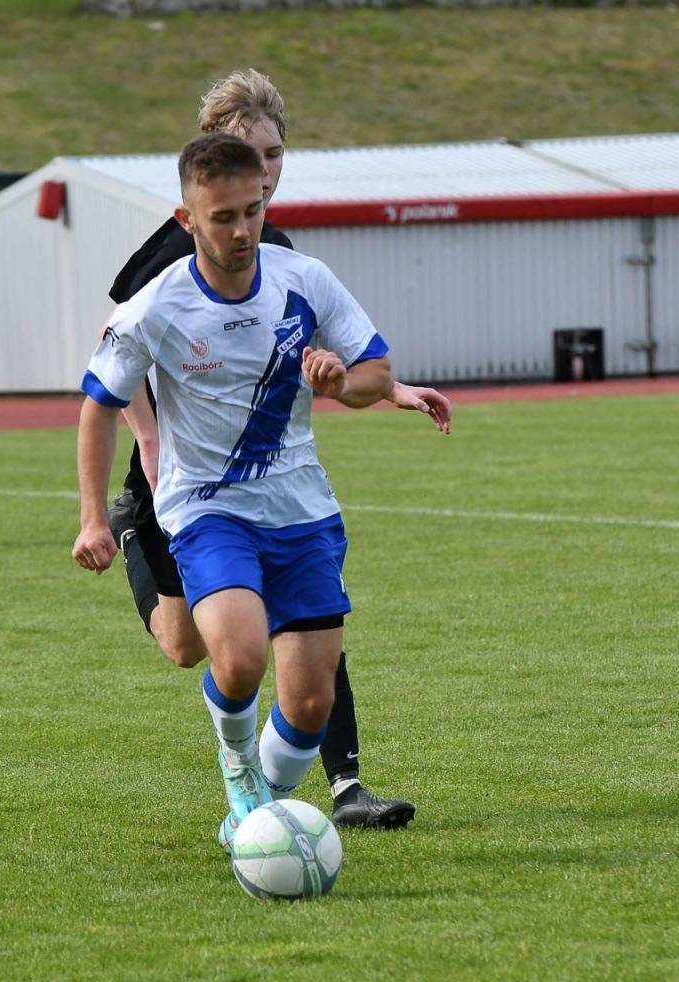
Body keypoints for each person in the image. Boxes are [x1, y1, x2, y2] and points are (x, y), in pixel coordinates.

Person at [104, 69, 451, 830]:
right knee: (187, 647)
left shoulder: (279, 250)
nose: (264, 172)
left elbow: (323, 343)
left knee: (304, 619)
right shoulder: (177, 247)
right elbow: (111, 352)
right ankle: (129, 527)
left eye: (275, 157)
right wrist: (150, 441)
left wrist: (389, 389)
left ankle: (335, 786)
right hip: (175, 477)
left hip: (268, 485)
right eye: (249, 153)